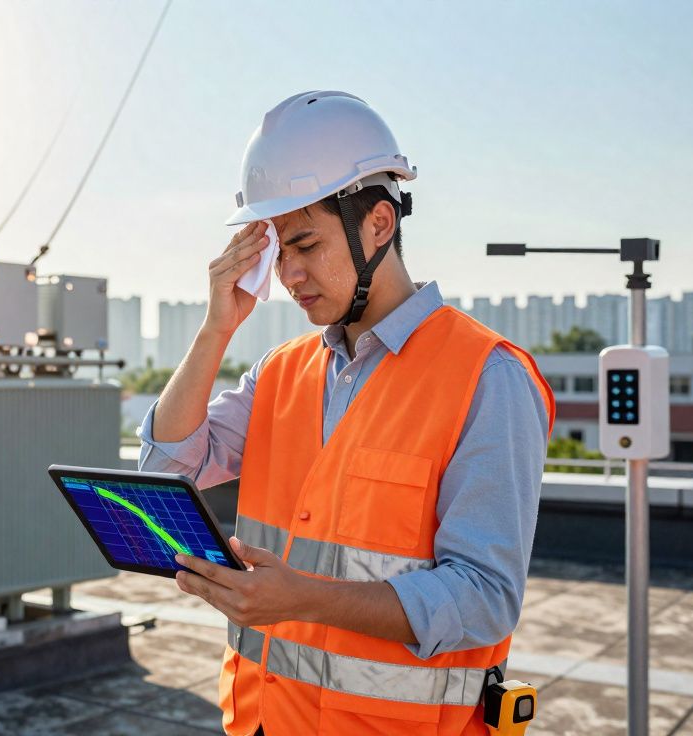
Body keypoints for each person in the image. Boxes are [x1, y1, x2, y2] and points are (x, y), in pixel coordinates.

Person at [137, 91, 555, 735]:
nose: (290, 274)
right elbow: (168, 464)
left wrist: (303, 599)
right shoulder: (281, 371)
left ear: (379, 224)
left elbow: (484, 598)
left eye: (306, 244)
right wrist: (216, 328)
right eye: (279, 252)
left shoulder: (488, 378)